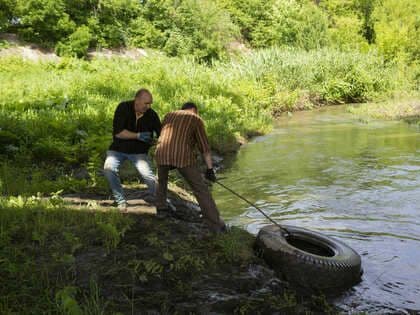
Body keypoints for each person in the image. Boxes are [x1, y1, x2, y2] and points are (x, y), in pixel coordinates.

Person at [154, 102, 226, 233]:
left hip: (161, 152)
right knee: (200, 189)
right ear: (195, 110)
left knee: (162, 180)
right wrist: (210, 169)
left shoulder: (169, 115)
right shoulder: (196, 119)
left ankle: (161, 209)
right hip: (182, 155)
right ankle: (216, 225)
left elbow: (164, 135)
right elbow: (204, 147)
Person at [104, 88, 161, 211]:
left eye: (150, 103)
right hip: (118, 149)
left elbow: (161, 134)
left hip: (138, 152)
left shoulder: (152, 115)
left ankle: (162, 199)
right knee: (109, 169)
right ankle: (120, 201)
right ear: (137, 100)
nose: (148, 106)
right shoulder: (123, 108)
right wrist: (138, 135)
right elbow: (118, 133)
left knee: (148, 175)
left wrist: (158, 142)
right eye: (146, 103)